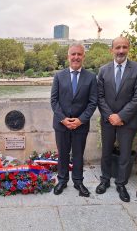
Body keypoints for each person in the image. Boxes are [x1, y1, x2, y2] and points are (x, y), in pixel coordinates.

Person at [96, 37, 137, 202]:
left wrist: (121, 116)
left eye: (124, 47)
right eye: (118, 47)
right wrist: (111, 116)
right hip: (108, 120)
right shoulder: (103, 70)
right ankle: (105, 180)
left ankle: (121, 183)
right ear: (112, 50)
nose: (121, 50)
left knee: (125, 154)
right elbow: (100, 97)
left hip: (127, 121)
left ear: (128, 48)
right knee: (106, 152)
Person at [51, 43, 97, 197]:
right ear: (68, 57)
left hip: (80, 125)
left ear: (83, 56)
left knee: (78, 155)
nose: (76, 57)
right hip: (61, 124)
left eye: (79, 54)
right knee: (63, 154)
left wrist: (81, 120)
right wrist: (63, 119)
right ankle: (62, 181)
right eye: (73, 54)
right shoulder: (59, 76)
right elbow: (54, 101)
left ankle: (78, 182)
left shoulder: (91, 77)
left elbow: (92, 102)